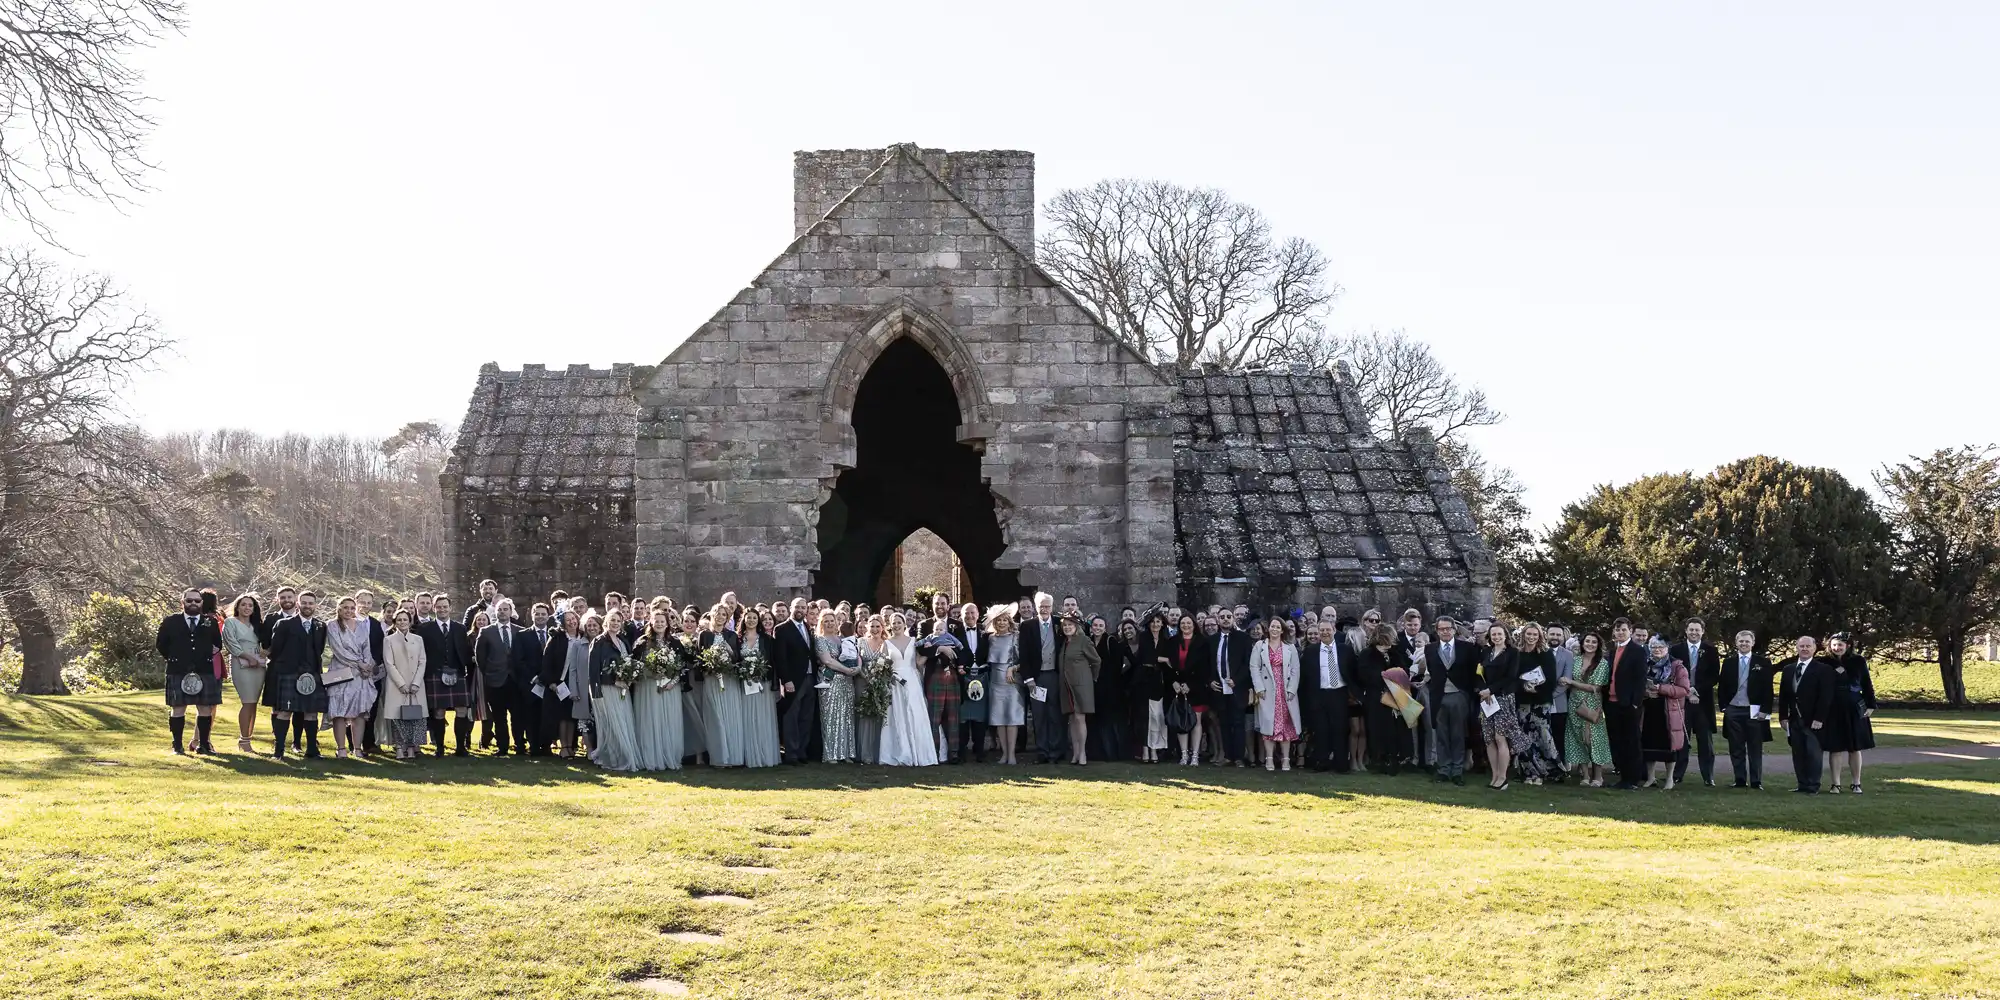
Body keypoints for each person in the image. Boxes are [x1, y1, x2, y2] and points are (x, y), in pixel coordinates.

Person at [158, 587, 225, 755]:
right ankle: (177, 746)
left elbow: (217, 645)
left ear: (202, 602)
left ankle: (203, 745)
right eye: (189, 600)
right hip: (178, 669)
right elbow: (161, 645)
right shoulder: (170, 621)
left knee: (205, 708)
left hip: (204, 669)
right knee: (178, 708)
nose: (193, 603)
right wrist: (176, 658)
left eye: (197, 600)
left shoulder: (209, 622)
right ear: (183, 602)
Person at [263, 590, 327, 759]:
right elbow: (275, 651)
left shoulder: (320, 626)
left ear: (315, 606)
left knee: (311, 712)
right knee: (285, 711)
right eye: (304, 603)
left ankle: (312, 750)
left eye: (311, 603)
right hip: (289, 673)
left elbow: (318, 651)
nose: (307, 606)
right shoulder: (284, 624)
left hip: (312, 674)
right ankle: (279, 751)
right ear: (298, 604)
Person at [877, 611, 939, 766]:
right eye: (894, 623)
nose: (896, 625)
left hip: (912, 680)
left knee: (914, 714)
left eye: (899, 622)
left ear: (904, 624)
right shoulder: (887, 643)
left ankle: (919, 753)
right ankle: (899, 753)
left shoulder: (913, 641)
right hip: (894, 682)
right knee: (897, 715)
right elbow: (880, 664)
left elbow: (918, 662)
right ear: (890, 626)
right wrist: (887, 675)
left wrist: (934, 650)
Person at [323, 597, 379, 761]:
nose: (349, 610)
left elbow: (366, 648)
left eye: (352, 607)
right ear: (339, 608)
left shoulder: (361, 625)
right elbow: (339, 650)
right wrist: (359, 664)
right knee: (339, 712)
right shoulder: (332, 625)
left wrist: (368, 665)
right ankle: (341, 749)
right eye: (345, 607)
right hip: (340, 672)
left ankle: (357, 748)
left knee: (359, 713)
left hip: (361, 675)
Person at [1778, 635, 1836, 794]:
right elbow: (1783, 695)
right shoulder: (1788, 669)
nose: (1804, 649)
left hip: (1813, 720)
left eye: (1807, 646)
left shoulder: (1823, 670)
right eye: (1801, 646)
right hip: (1794, 719)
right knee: (1798, 753)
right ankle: (1802, 784)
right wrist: (1783, 717)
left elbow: (1826, 697)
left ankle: (1813, 785)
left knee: (1813, 754)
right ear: (1796, 648)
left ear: (1814, 649)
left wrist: (1820, 718)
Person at [1425, 616, 1480, 785]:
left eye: (1448, 628)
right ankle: (1443, 770)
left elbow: (1474, 672)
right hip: (1439, 695)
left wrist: (1468, 693)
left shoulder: (1467, 648)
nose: (1445, 631)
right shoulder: (1429, 649)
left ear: (1454, 629)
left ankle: (1457, 771)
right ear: (1437, 631)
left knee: (1458, 734)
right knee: (1441, 734)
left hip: (1459, 694)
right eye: (1441, 629)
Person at [1717, 629, 1774, 789]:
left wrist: (1765, 710)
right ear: (1736, 643)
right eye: (1741, 641)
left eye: (1747, 641)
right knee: (1736, 747)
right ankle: (1740, 780)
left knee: (1755, 746)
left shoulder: (1763, 662)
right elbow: (1722, 688)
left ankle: (1756, 781)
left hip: (1754, 709)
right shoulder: (1729, 663)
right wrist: (1723, 708)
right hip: (1733, 709)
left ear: (1752, 643)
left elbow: (1767, 689)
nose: (1744, 644)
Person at [420, 594, 475, 757]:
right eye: (439, 607)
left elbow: (464, 650)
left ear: (450, 608)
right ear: (434, 608)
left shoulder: (460, 628)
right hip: (435, 673)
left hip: (456, 672)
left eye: (445, 606)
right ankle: (440, 747)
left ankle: (460, 747)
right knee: (438, 712)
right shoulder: (425, 629)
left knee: (462, 709)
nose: (442, 609)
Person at [632, 607, 686, 770]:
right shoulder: (643, 641)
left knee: (668, 721)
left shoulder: (675, 642)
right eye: (657, 621)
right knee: (650, 720)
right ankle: (650, 757)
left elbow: (682, 666)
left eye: (663, 621)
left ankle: (668, 755)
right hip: (648, 687)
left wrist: (673, 682)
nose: (660, 624)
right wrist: (649, 672)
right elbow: (635, 664)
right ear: (651, 622)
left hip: (670, 688)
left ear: (667, 624)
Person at [1823, 632, 1877, 794]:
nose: (1837, 647)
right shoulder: (1823, 662)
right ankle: (1836, 784)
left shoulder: (1858, 661)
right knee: (1835, 747)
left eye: (1840, 644)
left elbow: (1867, 683)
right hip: (1832, 707)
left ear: (1847, 646)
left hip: (1854, 706)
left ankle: (1856, 783)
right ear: (1829, 646)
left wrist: (1870, 705)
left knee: (1855, 747)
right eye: (1834, 644)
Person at [1018, 592, 1068, 764]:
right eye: (1041, 606)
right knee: (1039, 715)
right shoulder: (1027, 626)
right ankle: (1042, 751)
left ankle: (1056, 751)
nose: (1044, 609)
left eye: (1047, 606)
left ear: (1052, 607)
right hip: (1037, 678)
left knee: (1055, 714)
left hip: (1054, 675)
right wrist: (1028, 679)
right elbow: (1023, 655)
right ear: (1036, 607)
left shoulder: (1059, 624)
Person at [1475, 622, 1526, 790]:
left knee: (1500, 737)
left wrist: (1491, 690)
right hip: (1486, 699)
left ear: (1505, 635)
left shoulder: (1513, 653)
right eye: (1493, 634)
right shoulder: (1486, 652)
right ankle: (1495, 775)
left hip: (1503, 698)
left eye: (1499, 634)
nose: (1496, 637)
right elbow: (1478, 674)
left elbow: (1511, 676)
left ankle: (1503, 777)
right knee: (1489, 739)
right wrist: (1483, 690)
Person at [586, 612, 639, 771]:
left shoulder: (623, 641)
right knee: (612, 725)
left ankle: (626, 757)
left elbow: (629, 662)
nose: (615, 623)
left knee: (624, 723)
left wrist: (629, 678)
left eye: (618, 621)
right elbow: (593, 670)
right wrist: (596, 694)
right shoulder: (599, 642)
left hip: (623, 689)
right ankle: (614, 759)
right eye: (612, 620)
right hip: (607, 688)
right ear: (606, 622)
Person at [1356, 623, 1412, 775]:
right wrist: (1385, 676)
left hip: (1395, 697)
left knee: (1395, 730)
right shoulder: (1367, 654)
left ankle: (1395, 759)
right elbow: (1364, 675)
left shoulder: (1395, 653)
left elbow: (1404, 671)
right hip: (1377, 698)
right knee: (1377, 730)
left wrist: (1393, 677)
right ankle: (1380, 760)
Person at [1670, 618, 1720, 787]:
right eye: (1691, 629)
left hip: (1703, 702)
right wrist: (1686, 690)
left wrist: (1695, 689)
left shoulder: (1711, 650)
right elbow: (1672, 674)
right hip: (1681, 701)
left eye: (1697, 630)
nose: (1694, 632)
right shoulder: (1675, 650)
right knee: (1681, 739)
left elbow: (1714, 676)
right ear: (1686, 631)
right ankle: (1677, 774)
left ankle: (1708, 776)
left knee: (1705, 741)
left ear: (1702, 631)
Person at [1298, 620, 1352, 773]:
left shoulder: (1345, 650)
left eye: (1328, 630)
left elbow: (1352, 672)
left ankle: (1341, 764)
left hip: (1339, 694)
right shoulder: (1311, 652)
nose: (1325, 633)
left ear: (1334, 630)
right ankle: (1321, 762)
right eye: (1322, 630)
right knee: (1321, 730)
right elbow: (1305, 677)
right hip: (1319, 695)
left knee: (1340, 729)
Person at [1249, 616, 1301, 772]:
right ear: (1268, 628)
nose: (1275, 629)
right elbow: (1254, 667)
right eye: (1272, 626)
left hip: (1285, 691)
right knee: (1268, 726)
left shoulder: (1290, 647)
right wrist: (1259, 688)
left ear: (1282, 630)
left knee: (1286, 725)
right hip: (1267, 691)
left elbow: (1295, 669)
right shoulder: (1260, 646)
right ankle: (1269, 759)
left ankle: (1286, 760)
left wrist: (1292, 689)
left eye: (1278, 627)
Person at [1202, 608, 1253, 767]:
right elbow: (1207, 664)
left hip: (1236, 688)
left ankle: (1238, 757)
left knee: (1238, 723)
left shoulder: (1243, 638)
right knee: (1223, 723)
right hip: (1219, 688)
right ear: (1218, 620)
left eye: (1228, 617)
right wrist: (1209, 681)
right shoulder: (1212, 640)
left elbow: (1248, 664)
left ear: (1233, 619)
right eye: (1222, 617)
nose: (1225, 619)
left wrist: (1236, 681)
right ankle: (1228, 756)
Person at [1561, 632, 1612, 787]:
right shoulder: (1575, 660)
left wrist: (1571, 682)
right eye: (1587, 641)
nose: (1590, 644)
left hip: (1592, 705)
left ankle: (1598, 776)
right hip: (1574, 703)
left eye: (1594, 642)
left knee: (1594, 740)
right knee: (1577, 739)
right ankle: (1584, 775)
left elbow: (1595, 687)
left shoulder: (1602, 663)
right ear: (1582, 644)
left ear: (1598, 645)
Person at [1638, 636, 1689, 790]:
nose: (1657, 649)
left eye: (1660, 646)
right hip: (1648, 710)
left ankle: (1669, 779)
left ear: (1667, 648)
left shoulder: (1677, 667)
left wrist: (1661, 688)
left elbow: (1684, 690)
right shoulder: (1644, 664)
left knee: (1669, 746)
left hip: (1668, 711)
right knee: (1648, 744)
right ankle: (1651, 778)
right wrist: (1646, 692)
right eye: (1653, 647)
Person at [1513, 622, 1561, 786]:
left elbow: (1552, 679)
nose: (1531, 637)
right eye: (1529, 634)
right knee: (1524, 738)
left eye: (1535, 634)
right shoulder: (1517, 654)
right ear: (1523, 635)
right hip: (1522, 701)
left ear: (1540, 636)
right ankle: (1529, 772)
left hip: (1541, 701)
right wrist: (1524, 687)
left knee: (1543, 736)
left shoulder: (1546, 654)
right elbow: (1512, 677)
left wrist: (1536, 689)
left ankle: (1548, 771)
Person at [1604, 618, 1649, 790]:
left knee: (1631, 742)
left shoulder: (1637, 651)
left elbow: (1640, 679)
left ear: (1630, 630)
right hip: (1612, 703)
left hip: (1629, 704)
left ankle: (1632, 779)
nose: (1620, 632)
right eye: (1617, 630)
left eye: (1623, 629)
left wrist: (1635, 703)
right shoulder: (1613, 651)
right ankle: (1622, 777)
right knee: (1617, 741)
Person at [775, 597, 819, 765]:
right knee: (791, 717)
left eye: (803, 607)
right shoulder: (782, 629)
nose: (800, 609)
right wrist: (786, 680)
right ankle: (791, 753)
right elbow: (781, 657)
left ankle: (802, 752)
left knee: (806, 717)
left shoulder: (808, 628)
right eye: (797, 607)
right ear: (791, 608)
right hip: (793, 680)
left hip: (810, 678)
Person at [474, 599, 519, 755]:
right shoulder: (486, 632)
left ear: (511, 611)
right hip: (495, 681)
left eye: (505, 609)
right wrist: (489, 673)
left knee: (517, 715)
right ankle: (503, 747)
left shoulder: (519, 631)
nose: (502, 612)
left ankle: (520, 745)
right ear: (495, 612)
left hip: (515, 680)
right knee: (499, 717)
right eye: (499, 610)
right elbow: (480, 657)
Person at [382, 610, 429, 760]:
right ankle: (399, 748)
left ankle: (411, 748)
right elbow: (389, 663)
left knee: (415, 717)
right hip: (397, 685)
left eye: (405, 620)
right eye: (399, 620)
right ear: (395, 622)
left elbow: (422, 661)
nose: (402, 622)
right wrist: (401, 684)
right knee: (398, 717)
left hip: (416, 685)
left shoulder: (418, 639)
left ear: (410, 622)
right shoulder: (389, 640)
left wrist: (416, 683)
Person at [222, 593, 266, 754]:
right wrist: (248, 657)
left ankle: (248, 738)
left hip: (259, 667)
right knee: (247, 701)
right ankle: (243, 739)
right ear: (237, 607)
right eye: (244, 605)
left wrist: (264, 654)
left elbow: (265, 643)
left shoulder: (257, 625)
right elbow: (231, 644)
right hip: (241, 664)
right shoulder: (230, 623)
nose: (247, 608)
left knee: (254, 703)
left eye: (250, 605)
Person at [814, 608, 858, 763]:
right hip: (829, 682)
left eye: (832, 620)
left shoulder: (842, 639)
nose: (829, 623)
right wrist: (847, 670)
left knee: (846, 716)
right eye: (826, 621)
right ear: (821, 623)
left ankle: (846, 753)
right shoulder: (820, 640)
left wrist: (857, 668)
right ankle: (831, 754)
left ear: (836, 622)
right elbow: (828, 660)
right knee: (831, 717)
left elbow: (855, 653)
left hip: (847, 681)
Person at [543, 610, 589, 760]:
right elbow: (547, 662)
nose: (572, 622)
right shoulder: (556, 639)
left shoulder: (584, 637)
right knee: (563, 716)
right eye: (568, 620)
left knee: (573, 716)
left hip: (579, 682)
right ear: (563, 623)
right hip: (561, 682)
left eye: (574, 619)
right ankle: (564, 747)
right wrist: (551, 682)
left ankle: (572, 746)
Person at [981, 604, 1023, 766]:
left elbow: (1024, 660)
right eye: (999, 620)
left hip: (1012, 681)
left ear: (1010, 621)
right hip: (995, 682)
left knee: (1012, 718)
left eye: (1005, 620)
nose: (1002, 623)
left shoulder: (1016, 637)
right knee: (999, 719)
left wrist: (1013, 668)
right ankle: (1004, 754)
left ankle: (1012, 755)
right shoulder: (990, 638)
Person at [1056, 614, 1101, 765]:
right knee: (1072, 719)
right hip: (1066, 685)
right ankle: (1075, 753)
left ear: (1076, 626)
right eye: (1065, 625)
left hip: (1081, 685)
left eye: (1070, 625)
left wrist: (1091, 678)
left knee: (1080, 718)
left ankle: (1082, 753)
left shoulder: (1084, 640)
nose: (1067, 627)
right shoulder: (1064, 643)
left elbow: (1096, 661)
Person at [741, 610, 784, 768]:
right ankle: (750, 755)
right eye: (749, 618)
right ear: (744, 620)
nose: (751, 620)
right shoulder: (739, 639)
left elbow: (773, 662)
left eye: (754, 618)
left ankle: (766, 755)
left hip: (763, 685)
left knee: (763, 719)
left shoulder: (766, 640)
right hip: (744, 685)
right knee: (747, 719)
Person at [511, 603, 555, 756]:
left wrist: (547, 677)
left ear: (548, 616)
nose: (540, 616)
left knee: (548, 715)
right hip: (530, 683)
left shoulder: (554, 635)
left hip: (549, 683)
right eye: (537, 614)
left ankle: (547, 746)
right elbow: (518, 660)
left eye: (543, 614)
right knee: (531, 716)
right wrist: (534, 677)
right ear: (532, 615)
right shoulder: (522, 635)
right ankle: (534, 746)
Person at [1087, 614, 1126, 762]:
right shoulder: (1088, 641)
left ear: (1105, 628)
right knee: (1093, 721)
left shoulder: (1111, 641)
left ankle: (1110, 754)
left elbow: (1117, 665)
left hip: (1108, 688)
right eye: (1095, 625)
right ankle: (1095, 753)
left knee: (1106, 722)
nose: (1097, 628)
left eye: (1100, 626)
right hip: (1092, 686)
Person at [954, 603, 990, 763]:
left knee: (979, 717)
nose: (969, 616)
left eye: (972, 613)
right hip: (963, 677)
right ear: (961, 616)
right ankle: (962, 751)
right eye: (966, 613)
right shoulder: (955, 631)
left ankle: (980, 750)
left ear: (977, 614)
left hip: (982, 676)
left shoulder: (986, 631)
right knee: (963, 716)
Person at [1545, 625, 1573, 781]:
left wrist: (1550, 695)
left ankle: (1560, 769)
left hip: (1559, 703)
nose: (1555, 637)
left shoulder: (1568, 655)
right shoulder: (1539, 651)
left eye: (1558, 634)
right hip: (1539, 701)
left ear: (1563, 637)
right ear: (1546, 635)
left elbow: (1566, 681)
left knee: (1558, 738)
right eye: (1552, 634)